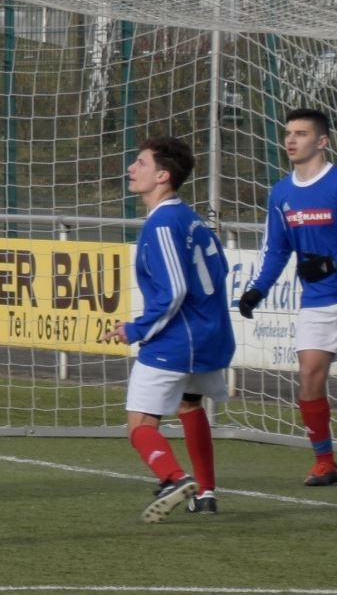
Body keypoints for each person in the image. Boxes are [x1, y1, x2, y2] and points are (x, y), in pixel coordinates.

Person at [235, 108, 337, 487]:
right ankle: (325, 463)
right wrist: (257, 290)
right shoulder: (281, 193)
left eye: (300, 133)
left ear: (322, 141)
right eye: (288, 133)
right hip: (317, 298)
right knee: (309, 375)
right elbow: (276, 250)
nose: (291, 140)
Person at [101, 136, 233, 522]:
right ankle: (206, 493)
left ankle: (174, 478)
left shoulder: (161, 224)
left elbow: (175, 290)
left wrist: (137, 328)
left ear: (162, 175)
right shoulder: (192, 219)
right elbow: (220, 270)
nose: (131, 168)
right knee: (189, 404)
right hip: (211, 335)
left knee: (139, 425)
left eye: (139, 163)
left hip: (179, 339)